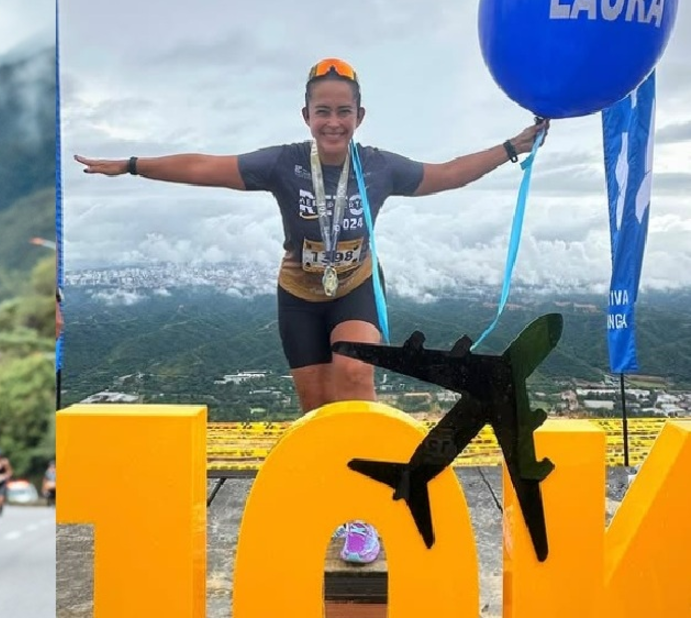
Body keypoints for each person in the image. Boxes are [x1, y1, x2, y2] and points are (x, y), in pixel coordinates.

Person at [76, 57, 547, 565]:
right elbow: (204, 167)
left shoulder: (378, 166)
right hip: (299, 295)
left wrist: (510, 149)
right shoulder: (283, 163)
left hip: (355, 288)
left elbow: (446, 175)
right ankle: (339, 502)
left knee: (354, 373)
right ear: (305, 115)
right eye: (323, 111)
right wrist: (131, 165)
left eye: (344, 111)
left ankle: (367, 513)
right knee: (318, 410)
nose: (333, 122)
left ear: (360, 116)